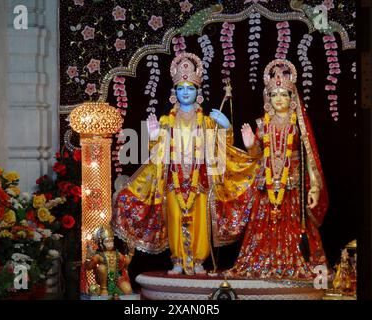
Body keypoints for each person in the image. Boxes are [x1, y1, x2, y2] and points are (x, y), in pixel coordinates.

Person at [112, 52, 259, 275]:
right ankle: (178, 260)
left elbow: (222, 148)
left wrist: (226, 127)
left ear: (197, 92)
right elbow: (157, 154)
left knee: (200, 221)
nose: (186, 92)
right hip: (174, 179)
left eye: (190, 88)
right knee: (174, 219)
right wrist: (152, 138)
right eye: (181, 88)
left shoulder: (208, 120)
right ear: (175, 93)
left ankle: (198, 261)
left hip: (199, 179)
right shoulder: (166, 120)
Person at [225, 59, 329, 280]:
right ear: (268, 99)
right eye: (274, 94)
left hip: (292, 186)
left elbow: (310, 156)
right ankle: (262, 262)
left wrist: (315, 187)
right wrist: (251, 144)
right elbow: (255, 156)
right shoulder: (263, 124)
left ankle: (293, 263)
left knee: (293, 226)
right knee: (262, 227)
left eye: (284, 94)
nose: (279, 99)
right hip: (267, 186)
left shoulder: (298, 125)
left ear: (292, 99)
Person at [84, 225, 134, 296]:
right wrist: (89, 257)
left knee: (128, 290)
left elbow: (126, 262)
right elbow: (88, 267)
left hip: (117, 278)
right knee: (101, 268)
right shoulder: (99, 255)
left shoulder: (117, 253)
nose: (110, 244)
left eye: (111, 241)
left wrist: (131, 252)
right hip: (103, 280)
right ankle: (104, 289)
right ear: (101, 243)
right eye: (107, 241)